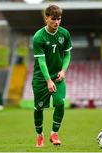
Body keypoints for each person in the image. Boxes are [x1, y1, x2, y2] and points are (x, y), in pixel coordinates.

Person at [32, 4, 72, 147]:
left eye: (59, 19)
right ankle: (39, 135)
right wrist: (48, 80)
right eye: (53, 19)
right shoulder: (38, 37)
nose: (56, 22)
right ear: (46, 18)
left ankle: (54, 134)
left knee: (60, 103)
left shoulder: (64, 34)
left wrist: (63, 70)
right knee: (39, 108)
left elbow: (67, 54)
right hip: (41, 78)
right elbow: (41, 61)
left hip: (58, 76)